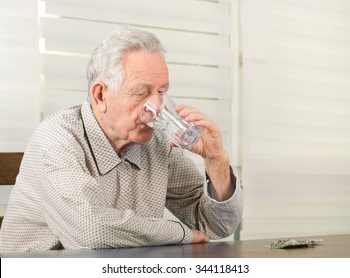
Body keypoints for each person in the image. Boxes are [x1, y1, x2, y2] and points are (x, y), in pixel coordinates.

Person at [0, 26, 243, 252]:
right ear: (100, 95)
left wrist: (216, 159)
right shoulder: (57, 138)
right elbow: (90, 231)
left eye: (161, 92)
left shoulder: (157, 141)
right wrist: (182, 233)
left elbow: (216, 225)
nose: (156, 106)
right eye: (141, 92)